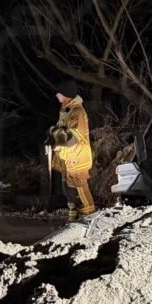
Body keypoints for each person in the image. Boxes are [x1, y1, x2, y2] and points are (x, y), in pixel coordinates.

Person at [48, 79, 95, 220]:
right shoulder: (66, 110)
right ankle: (73, 216)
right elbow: (60, 131)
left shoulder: (77, 112)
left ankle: (89, 217)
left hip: (77, 158)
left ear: (67, 95)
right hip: (68, 158)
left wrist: (55, 132)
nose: (57, 96)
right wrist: (53, 133)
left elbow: (70, 139)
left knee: (79, 187)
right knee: (68, 188)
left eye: (59, 93)